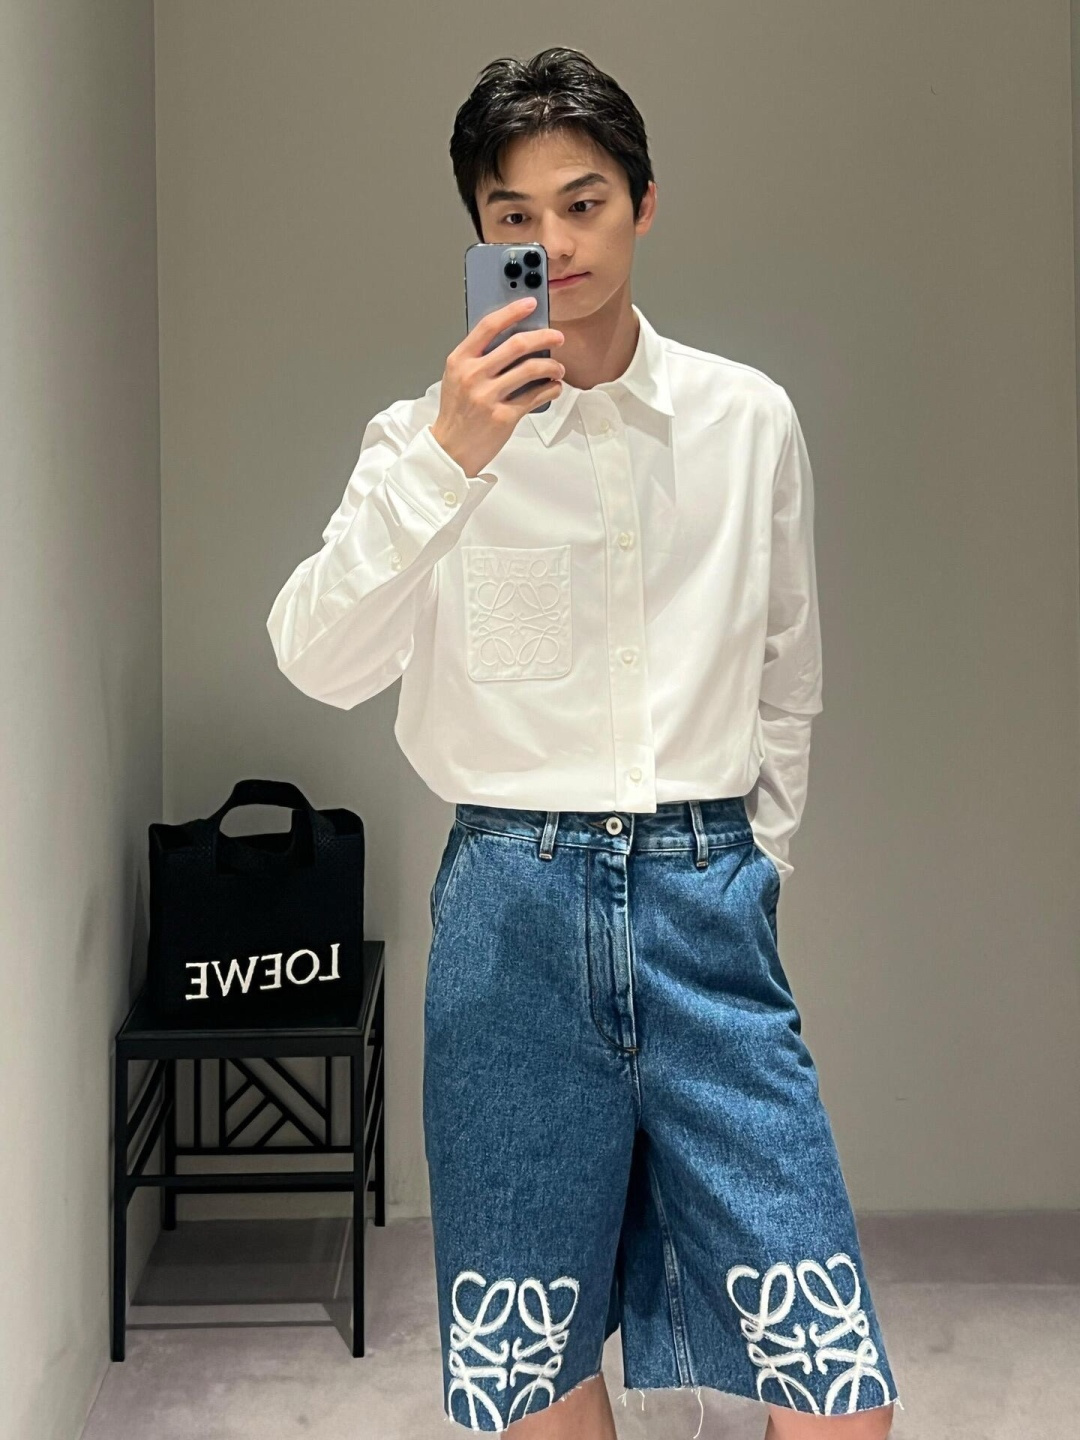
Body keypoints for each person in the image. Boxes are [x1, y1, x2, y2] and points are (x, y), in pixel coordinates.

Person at [266, 45, 902, 1440]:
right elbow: (316, 657)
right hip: (512, 915)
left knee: (830, 1371)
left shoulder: (745, 420)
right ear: (478, 232)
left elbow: (787, 676)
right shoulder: (420, 443)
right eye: (515, 213)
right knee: (530, 1372)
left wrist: (751, 869)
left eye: (584, 202)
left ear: (644, 205)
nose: (552, 242)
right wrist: (449, 460)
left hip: (704, 901)